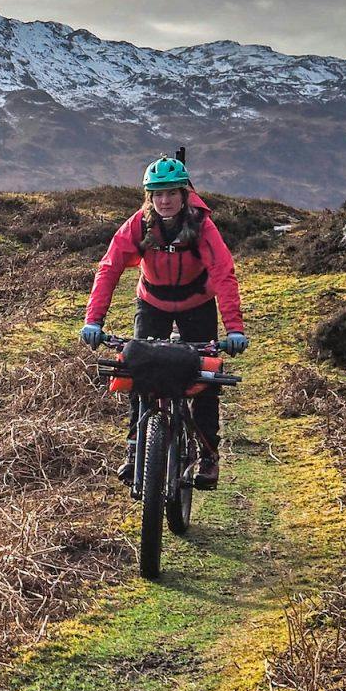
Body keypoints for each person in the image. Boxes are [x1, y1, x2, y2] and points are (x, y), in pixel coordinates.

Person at [80, 155, 248, 487]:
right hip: (152, 303)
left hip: (197, 305)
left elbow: (223, 274)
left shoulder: (201, 225)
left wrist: (234, 329)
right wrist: (93, 320)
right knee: (136, 368)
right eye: (157, 194)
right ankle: (134, 448)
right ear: (149, 197)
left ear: (185, 194)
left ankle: (207, 455)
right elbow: (109, 267)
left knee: (205, 377)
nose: (164, 200)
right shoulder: (139, 224)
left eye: (171, 192)